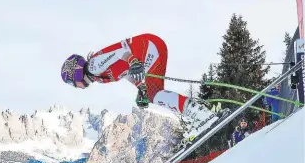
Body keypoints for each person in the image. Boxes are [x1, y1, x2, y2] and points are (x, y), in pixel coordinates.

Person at [61, 33, 229, 141]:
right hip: (150, 48)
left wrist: (134, 61)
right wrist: (141, 88)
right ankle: (204, 114)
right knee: (153, 94)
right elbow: (126, 73)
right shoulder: (98, 76)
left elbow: (121, 53)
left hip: (149, 48)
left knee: (155, 94)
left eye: (72, 83)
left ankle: (204, 114)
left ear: (75, 72)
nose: (77, 87)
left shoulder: (94, 66)